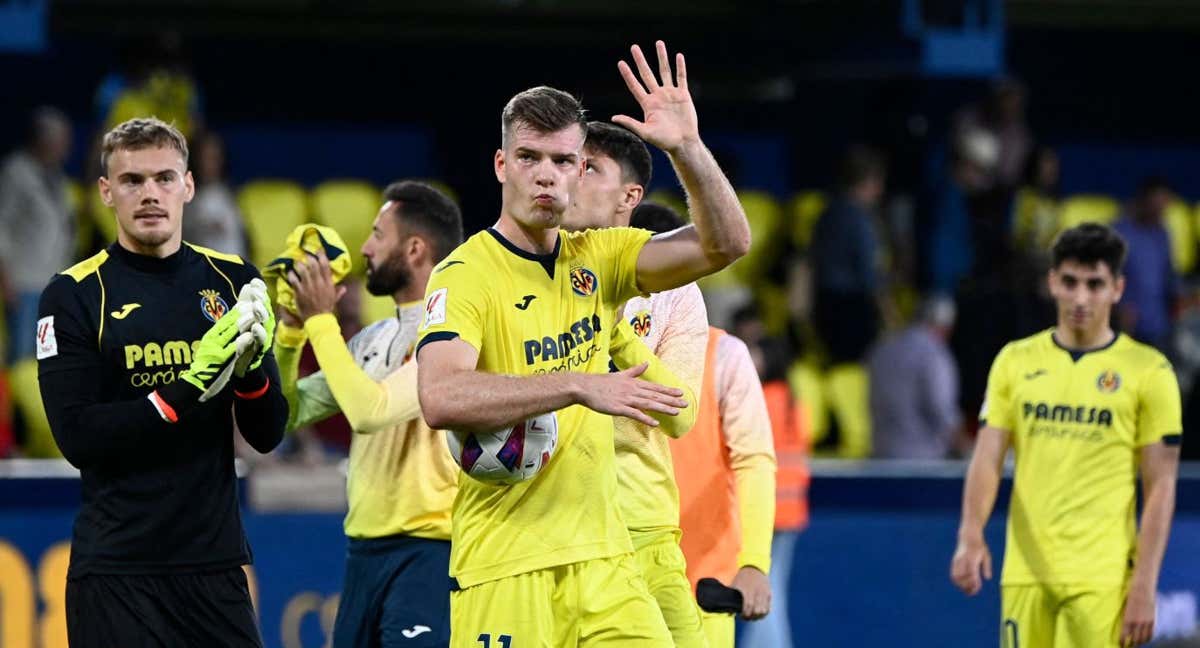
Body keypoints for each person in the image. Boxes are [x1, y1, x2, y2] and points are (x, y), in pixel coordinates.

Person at [416, 40, 750, 646]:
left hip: (606, 562)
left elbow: (725, 245)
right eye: (529, 157)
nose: (546, 173)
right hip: (505, 565)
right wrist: (575, 385)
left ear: (577, 170)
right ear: (501, 165)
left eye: (565, 161)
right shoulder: (464, 274)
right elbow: (440, 396)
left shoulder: (600, 259)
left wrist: (687, 149)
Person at [36, 117, 287, 646]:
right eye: (132, 181)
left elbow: (266, 433)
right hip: (116, 574)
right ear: (106, 191)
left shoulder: (234, 279)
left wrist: (248, 375)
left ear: (189, 186)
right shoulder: (73, 295)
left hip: (214, 569)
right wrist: (187, 385)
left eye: (164, 178)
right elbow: (78, 437)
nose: (150, 194)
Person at [951, 223, 1182, 648]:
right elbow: (987, 457)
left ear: (1117, 289)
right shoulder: (1014, 362)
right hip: (1025, 574)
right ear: (1052, 282)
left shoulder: (1149, 372)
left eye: (1095, 285)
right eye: (1071, 282)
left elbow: (1161, 484)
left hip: (1102, 578)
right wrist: (970, 534)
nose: (1080, 298)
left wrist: (1145, 585)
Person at [273, 181, 464, 647]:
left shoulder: (454, 334)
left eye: (378, 234)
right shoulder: (373, 339)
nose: (364, 248)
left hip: (429, 552)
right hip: (363, 552)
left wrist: (321, 319)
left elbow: (368, 412)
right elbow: (283, 414)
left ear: (415, 249)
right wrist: (292, 335)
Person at [562, 125, 712, 647]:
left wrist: (612, 329)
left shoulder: (674, 293)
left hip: (641, 527)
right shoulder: (526, 272)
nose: (568, 179)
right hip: (553, 529)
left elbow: (681, 415)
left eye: (588, 168)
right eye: (567, 165)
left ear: (630, 197)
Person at [0, 107, 75, 365]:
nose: (66, 148)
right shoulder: (16, 171)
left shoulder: (57, 175)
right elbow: (3, 226)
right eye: (62, 141)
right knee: (21, 357)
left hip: (51, 283)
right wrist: (5, 277)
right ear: (44, 140)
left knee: (45, 358)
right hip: (23, 283)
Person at [867, 295, 962, 459]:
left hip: (880, 455)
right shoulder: (933, 354)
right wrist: (968, 448)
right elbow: (941, 409)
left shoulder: (881, 350)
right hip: (923, 461)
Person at [1114, 177, 1179, 356]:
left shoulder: (1163, 235)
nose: (1161, 209)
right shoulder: (1120, 232)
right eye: (1157, 203)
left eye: (1165, 203)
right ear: (1144, 201)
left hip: (1159, 325)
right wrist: (1119, 307)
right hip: (1128, 324)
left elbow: (1169, 277)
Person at [184, 131, 248, 258]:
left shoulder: (229, 194)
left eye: (216, 157)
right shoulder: (186, 198)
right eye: (206, 158)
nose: (212, 164)